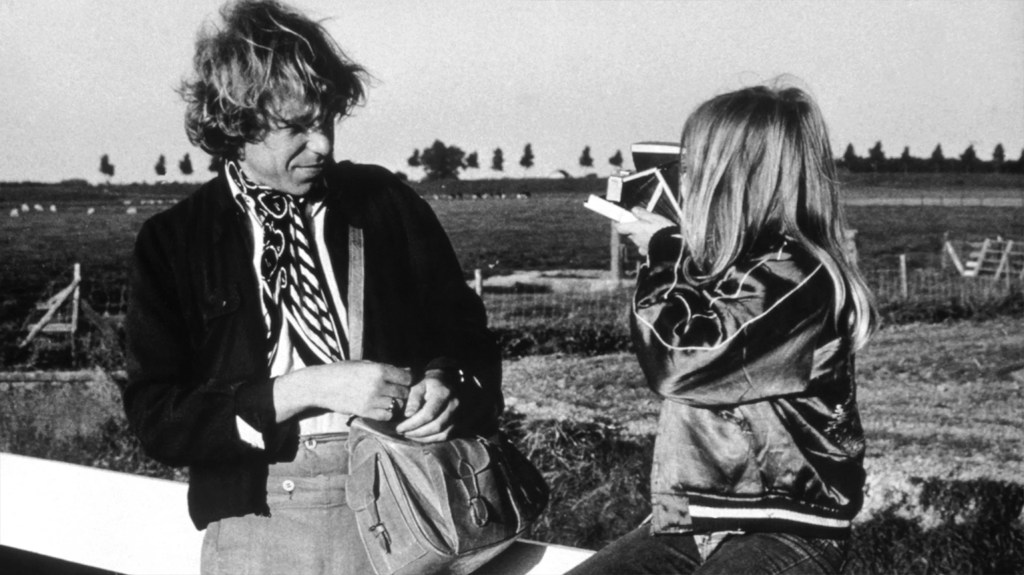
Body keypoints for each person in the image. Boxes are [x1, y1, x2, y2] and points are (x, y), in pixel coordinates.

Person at [121, 2, 502, 573]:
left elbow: (468, 337)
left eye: (327, 121)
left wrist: (448, 383)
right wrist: (305, 389)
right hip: (254, 523)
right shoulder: (174, 241)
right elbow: (158, 420)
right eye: (297, 127)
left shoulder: (386, 205)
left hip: (403, 507)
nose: (322, 144)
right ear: (236, 125)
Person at [568, 83, 877, 574]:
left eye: (691, 168)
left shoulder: (796, 276)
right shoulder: (731, 265)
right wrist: (674, 251)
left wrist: (664, 252)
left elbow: (677, 362)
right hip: (697, 517)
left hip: (787, 522)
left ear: (735, 178)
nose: (683, 181)